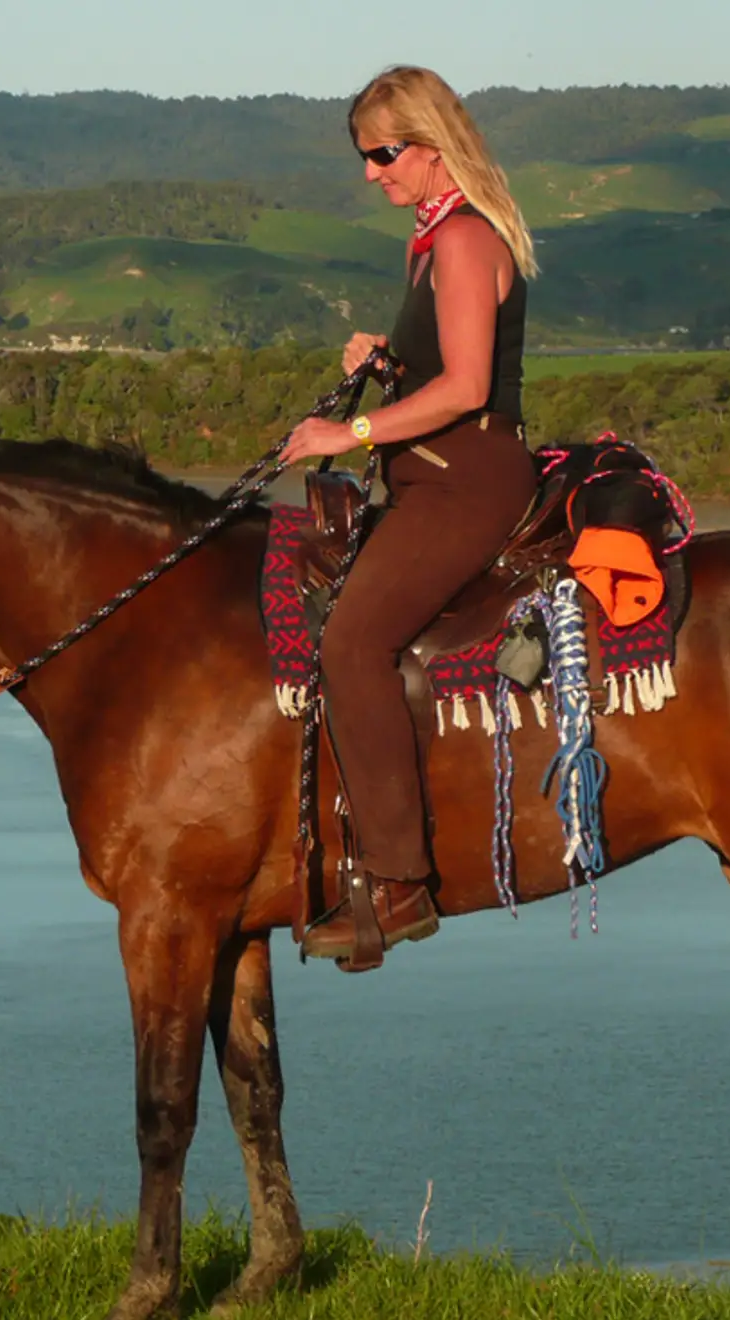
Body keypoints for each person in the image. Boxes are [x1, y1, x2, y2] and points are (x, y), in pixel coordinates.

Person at [281, 65, 539, 965]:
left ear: (430, 144)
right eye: (364, 157)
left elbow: (470, 389)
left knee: (352, 643)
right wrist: (390, 364)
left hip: (466, 478)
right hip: (430, 468)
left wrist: (345, 431)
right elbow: (441, 373)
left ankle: (398, 883)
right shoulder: (427, 242)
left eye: (383, 154)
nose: (371, 174)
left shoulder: (464, 240)